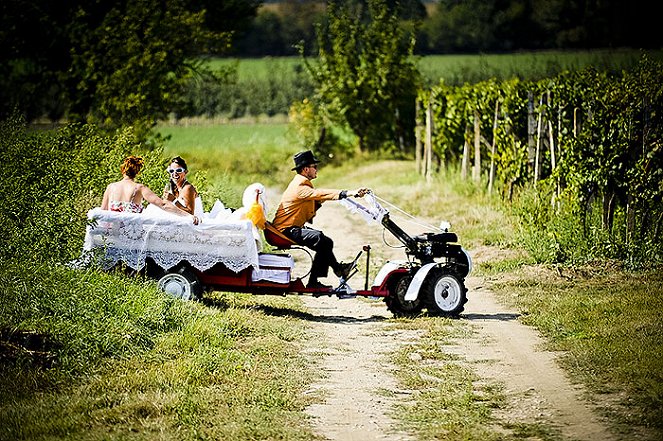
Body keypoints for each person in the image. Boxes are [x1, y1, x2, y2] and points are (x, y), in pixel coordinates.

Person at [271, 150, 369, 289]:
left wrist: (325, 199)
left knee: (326, 242)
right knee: (320, 239)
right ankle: (330, 275)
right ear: (306, 169)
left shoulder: (302, 184)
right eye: (314, 167)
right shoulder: (299, 186)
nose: (317, 169)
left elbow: (313, 202)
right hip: (285, 231)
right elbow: (319, 193)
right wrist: (348, 193)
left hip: (290, 229)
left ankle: (330, 273)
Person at [101, 155, 200, 224]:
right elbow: (163, 204)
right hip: (130, 235)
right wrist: (188, 216)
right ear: (137, 172)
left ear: (122, 170)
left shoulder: (110, 187)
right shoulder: (139, 188)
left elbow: (103, 212)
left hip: (112, 234)